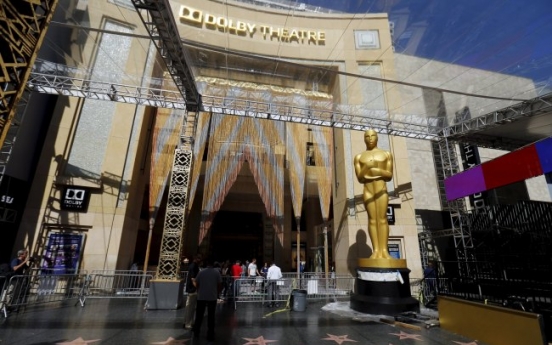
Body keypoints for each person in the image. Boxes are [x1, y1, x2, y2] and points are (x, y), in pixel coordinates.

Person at [354, 129, 394, 260]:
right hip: (368, 190)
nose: (370, 138)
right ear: (364, 139)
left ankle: (384, 250)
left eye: (372, 136)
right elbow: (360, 178)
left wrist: (377, 170)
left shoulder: (386, 154)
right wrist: (367, 167)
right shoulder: (359, 157)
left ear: (377, 138)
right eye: (367, 136)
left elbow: (389, 175)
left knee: (382, 218)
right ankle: (376, 250)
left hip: (381, 189)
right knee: (372, 219)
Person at [192, 259, 222, 342]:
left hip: (201, 296)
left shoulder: (201, 272)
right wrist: (217, 292)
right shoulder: (216, 273)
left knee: (199, 315)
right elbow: (219, 284)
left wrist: (199, 290)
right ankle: (210, 334)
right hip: (212, 297)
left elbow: (196, 282)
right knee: (211, 316)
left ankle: (196, 331)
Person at [183, 254, 202, 329]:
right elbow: (193, 279)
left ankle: (186, 321)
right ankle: (188, 323)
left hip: (191, 289)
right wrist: (197, 287)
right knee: (190, 307)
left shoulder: (192, 266)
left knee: (189, 307)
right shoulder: (194, 266)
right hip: (193, 289)